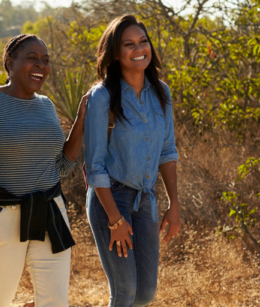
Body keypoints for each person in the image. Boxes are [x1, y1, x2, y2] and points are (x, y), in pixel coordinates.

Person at [0, 34, 87, 307]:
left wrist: (81, 120)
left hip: (50, 212)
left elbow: (61, 167)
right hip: (2, 217)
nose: (41, 66)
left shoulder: (46, 105)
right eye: (32, 59)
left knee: (55, 302)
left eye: (45, 61)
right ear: (10, 63)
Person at [83, 15, 181, 307]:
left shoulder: (162, 93)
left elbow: (167, 150)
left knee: (144, 294)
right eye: (129, 44)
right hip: (110, 201)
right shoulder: (102, 96)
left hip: (146, 200)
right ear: (115, 53)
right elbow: (94, 166)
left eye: (143, 41)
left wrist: (173, 203)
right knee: (124, 292)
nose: (139, 49)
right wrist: (115, 219)